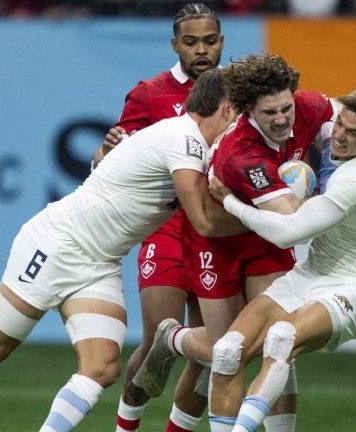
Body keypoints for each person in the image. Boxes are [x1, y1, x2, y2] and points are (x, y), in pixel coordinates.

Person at [0, 68, 242, 432]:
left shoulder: (193, 144)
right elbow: (205, 222)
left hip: (100, 263)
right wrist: (265, 219)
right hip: (56, 244)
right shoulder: (184, 140)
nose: (240, 126)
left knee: (102, 367)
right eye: (239, 115)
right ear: (226, 109)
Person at [138, 54, 356, 432]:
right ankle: (174, 339)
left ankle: (180, 347)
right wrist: (250, 202)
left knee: (279, 341)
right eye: (269, 112)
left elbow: (292, 226)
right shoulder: (244, 155)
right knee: (225, 353)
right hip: (219, 239)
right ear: (248, 110)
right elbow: (289, 218)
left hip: (318, 264)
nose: (282, 120)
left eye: (286, 108)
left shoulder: (346, 160)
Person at [203, 84, 356, 432]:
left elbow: (289, 233)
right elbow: (325, 110)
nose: (339, 136)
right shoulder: (339, 136)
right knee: (227, 352)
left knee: (282, 338)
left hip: (352, 289)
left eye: (353, 133)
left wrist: (230, 202)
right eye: (341, 124)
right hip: (310, 274)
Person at [91, 4, 225, 432]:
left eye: (209, 41)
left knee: (214, 352)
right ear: (174, 45)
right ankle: (125, 426)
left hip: (218, 232)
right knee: (156, 342)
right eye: (191, 42)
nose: (201, 50)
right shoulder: (150, 93)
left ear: (221, 42)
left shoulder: (238, 92)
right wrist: (104, 152)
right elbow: (108, 159)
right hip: (167, 228)